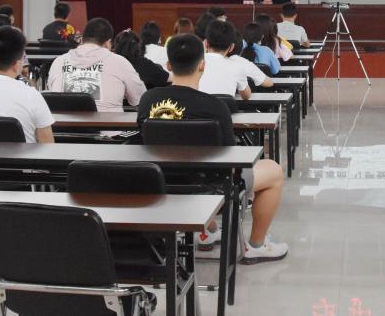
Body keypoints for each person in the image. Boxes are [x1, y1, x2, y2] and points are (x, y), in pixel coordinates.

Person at [136, 34, 288, 262]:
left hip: (163, 182)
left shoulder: (148, 99)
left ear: (168, 65)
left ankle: (209, 232)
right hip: (213, 188)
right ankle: (256, 245)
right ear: (202, 65)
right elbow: (230, 158)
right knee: (274, 171)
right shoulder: (215, 106)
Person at [47, 18, 145, 112]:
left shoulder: (58, 62)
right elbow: (140, 98)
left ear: (82, 40)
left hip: (63, 123)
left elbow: (53, 95)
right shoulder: (119, 62)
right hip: (109, 123)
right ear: (108, 43)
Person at [198, 20, 251, 100]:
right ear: (231, 47)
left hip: (197, 107)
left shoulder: (194, 63)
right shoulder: (237, 67)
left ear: (205, 43)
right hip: (226, 108)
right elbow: (246, 96)